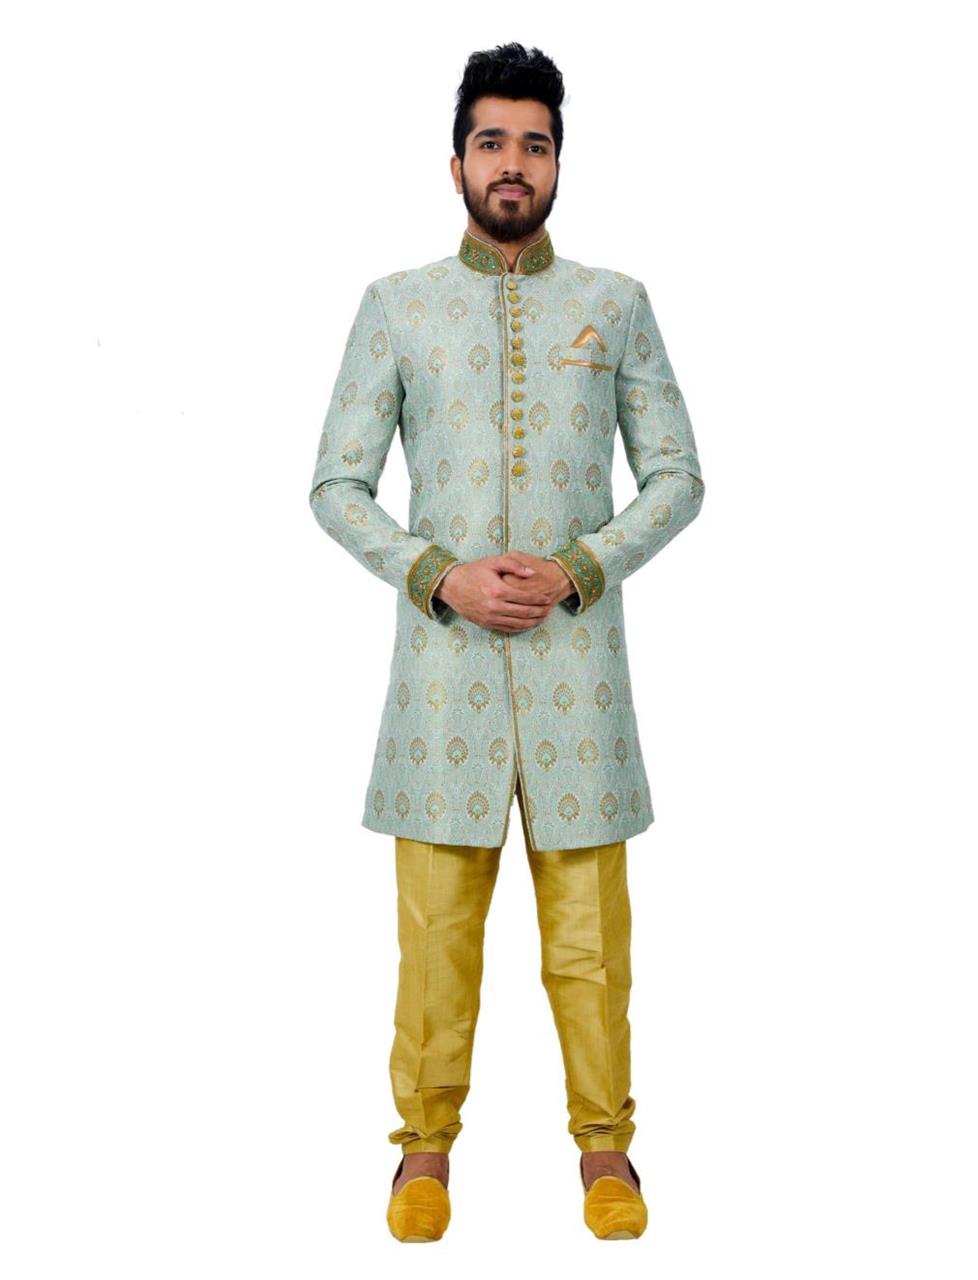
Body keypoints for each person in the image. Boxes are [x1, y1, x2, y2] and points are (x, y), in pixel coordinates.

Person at [308, 42, 705, 1242]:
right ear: (457, 164)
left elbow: (677, 475)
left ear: (558, 164)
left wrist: (584, 566)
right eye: (493, 142)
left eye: (535, 143)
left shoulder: (614, 304)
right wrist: (439, 575)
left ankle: (607, 1148)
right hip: (443, 678)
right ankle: (422, 1150)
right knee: (434, 937)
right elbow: (336, 485)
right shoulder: (398, 305)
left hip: (581, 676)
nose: (513, 163)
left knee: (591, 941)